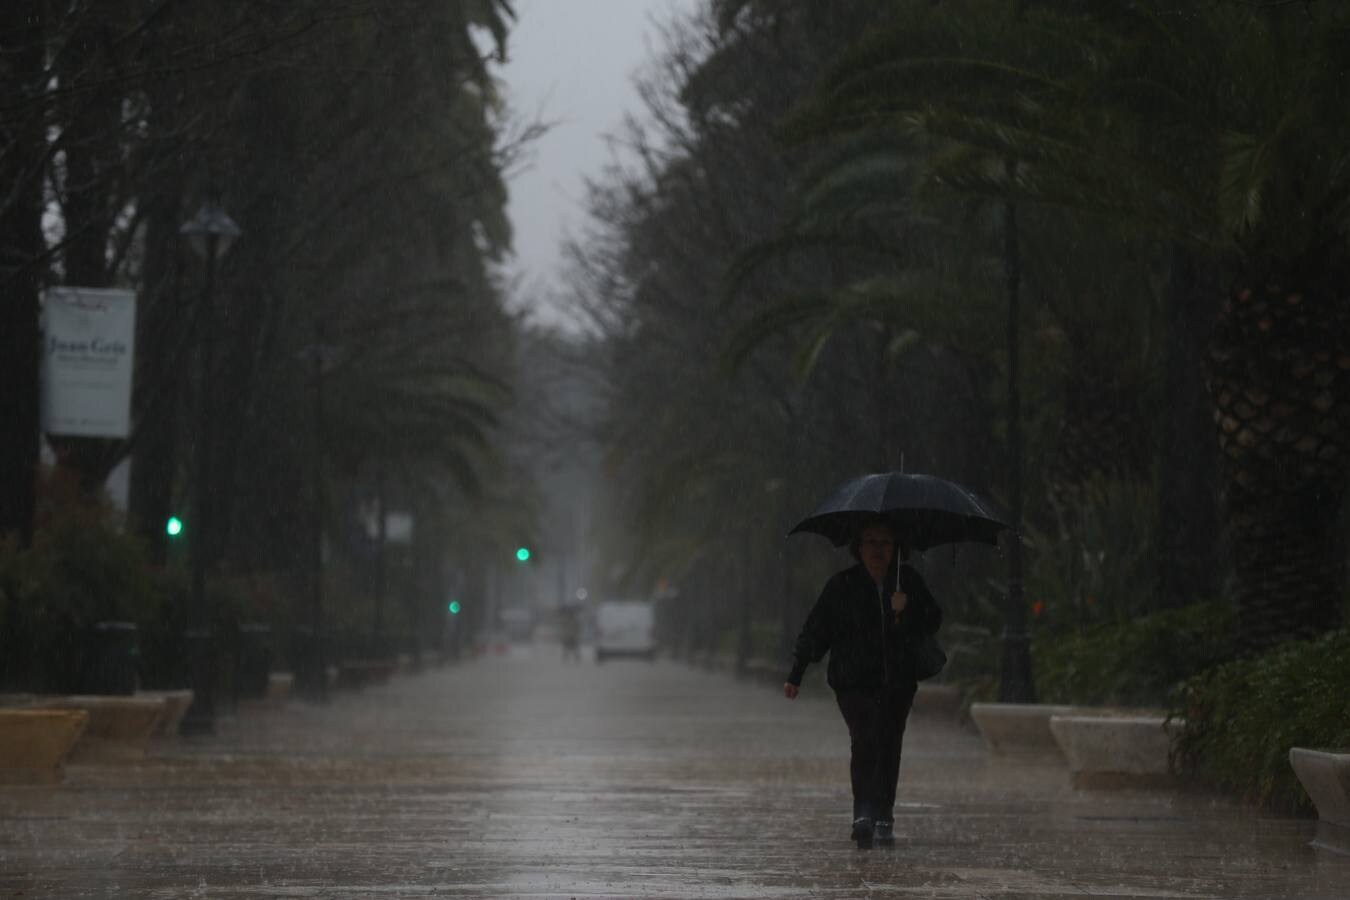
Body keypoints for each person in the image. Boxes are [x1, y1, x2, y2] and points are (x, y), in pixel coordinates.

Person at [783, 517, 942, 849]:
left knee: (889, 743)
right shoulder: (842, 586)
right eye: (871, 541)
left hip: (898, 680)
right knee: (866, 737)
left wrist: (907, 608)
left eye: (885, 543)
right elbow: (817, 629)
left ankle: (885, 813)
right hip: (853, 681)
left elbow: (934, 619)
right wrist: (796, 672)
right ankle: (863, 812)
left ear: (896, 548)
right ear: (859, 547)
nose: (878, 549)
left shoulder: (907, 581)